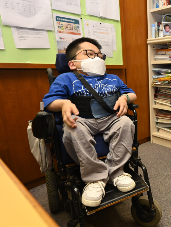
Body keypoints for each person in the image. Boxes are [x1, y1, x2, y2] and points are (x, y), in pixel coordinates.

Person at [43, 37, 137, 207]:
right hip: (82, 120)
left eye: (100, 55)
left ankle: (116, 172)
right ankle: (95, 179)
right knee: (74, 127)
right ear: (72, 64)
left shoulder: (113, 78)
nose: (97, 58)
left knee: (126, 122)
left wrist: (124, 98)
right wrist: (64, 103)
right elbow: (50, 101)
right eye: (90, 54)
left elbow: (132, 93)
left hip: (111, 119)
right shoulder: (66, 78)